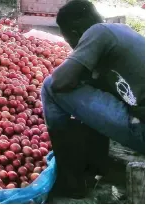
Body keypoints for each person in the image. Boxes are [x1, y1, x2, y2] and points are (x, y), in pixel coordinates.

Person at [41, 0, 144, 198]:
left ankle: (70, 180)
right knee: (88, 87)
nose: (73, 48)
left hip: (142, 130)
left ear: (76, 32)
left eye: (69, 41)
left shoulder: (97, 32)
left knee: (49, 87)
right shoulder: (121, 30)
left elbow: (59, 83)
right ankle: (98, 164)